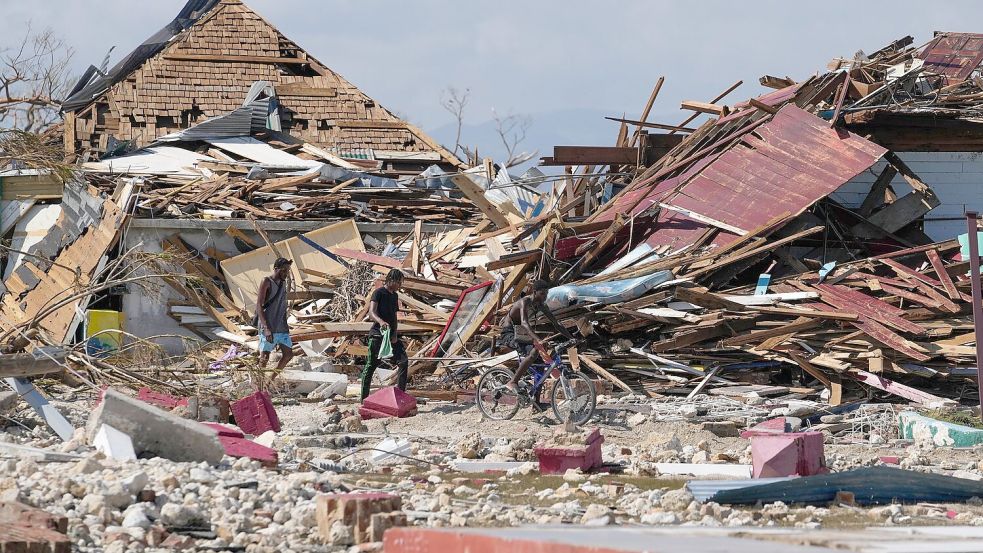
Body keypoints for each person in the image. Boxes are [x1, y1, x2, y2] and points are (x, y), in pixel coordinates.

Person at [500, 280, 574, 396]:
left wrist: (571, 338)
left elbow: (556, 323)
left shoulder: (541, 305)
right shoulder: (524, 301)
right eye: (542, 294)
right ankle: (513, 381)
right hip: (509, 333)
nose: (545, 297)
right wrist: (537, 339)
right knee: (534, 351)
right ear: (535, 292)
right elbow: (524, 323)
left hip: (522, 333)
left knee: (540, 363)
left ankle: (536, 400)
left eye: (546, 294)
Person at [360, 269, 409, 401]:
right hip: (377, 335)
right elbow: (371, 313)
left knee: (403, 362)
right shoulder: (378, 293)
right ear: (391, 280)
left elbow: (394, 316)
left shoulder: (394, 296)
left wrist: (395, 334)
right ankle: (364, 399)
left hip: (390, 336)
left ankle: (400, 397)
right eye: (398, 282)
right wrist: (381, 322)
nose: (400, 285)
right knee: (371, 365)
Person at [256, 257, 294, 372]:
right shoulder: (266, 281)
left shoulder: (283, 283)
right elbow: (259, 305)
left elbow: (282, 305)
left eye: (287, 271)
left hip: (281, 326)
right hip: (269, 326)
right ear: (276, 269)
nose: (285, 273)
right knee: (265, 357)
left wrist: (285, 324)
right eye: (283, 270)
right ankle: (259, 385)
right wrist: (266, 328)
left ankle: (270, 380)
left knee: (288, 355)